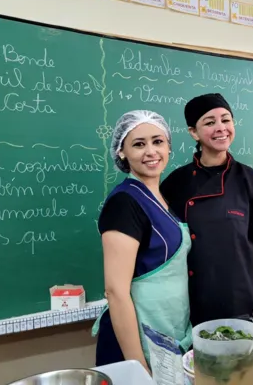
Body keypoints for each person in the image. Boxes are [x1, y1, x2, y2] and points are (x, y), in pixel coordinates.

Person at [161, 93, 253, 325]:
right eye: (210, 123)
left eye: (226, 120)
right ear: (194, 132)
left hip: (243, 302)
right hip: (190, 301)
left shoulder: (251, 180)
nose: (221, 128)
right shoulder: (175, 183)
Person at [93, 110, 192, 373]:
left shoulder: (162, 199)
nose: (151, 151)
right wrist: (137, 366)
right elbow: (116, 292)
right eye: (139, 144)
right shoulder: (124, 203)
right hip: (137, 344)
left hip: (165, 332)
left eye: (158, 141)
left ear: (169, 146)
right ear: (122, 152)